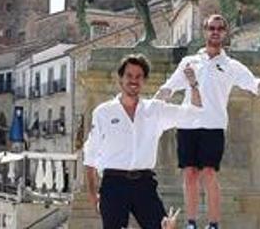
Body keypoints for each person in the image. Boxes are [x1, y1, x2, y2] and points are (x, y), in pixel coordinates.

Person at [156, 14, 260, 229]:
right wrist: (146, 110)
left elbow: (256, 85)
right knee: (190, 174)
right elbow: (168, 88)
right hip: (187, 125)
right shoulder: (189, 62)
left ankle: (214, 224)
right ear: (204, 31)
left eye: (220, 28)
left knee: (209, 173)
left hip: (213, 126)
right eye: (211, 28)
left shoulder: (231, 65)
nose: (215, 31)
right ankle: (192, 223)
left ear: (225, 33)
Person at [83, 54, 203, 229]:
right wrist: (93, 195)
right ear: (120, 79)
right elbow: (90, 155)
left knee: (165, 227)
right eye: (129, 76)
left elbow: (195, 113)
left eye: (139, 76)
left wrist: (193, 84)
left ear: (144, 80)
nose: (134, 80)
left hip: (144, 184)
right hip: (113, 184)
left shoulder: (155, 110)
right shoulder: (103, 112)